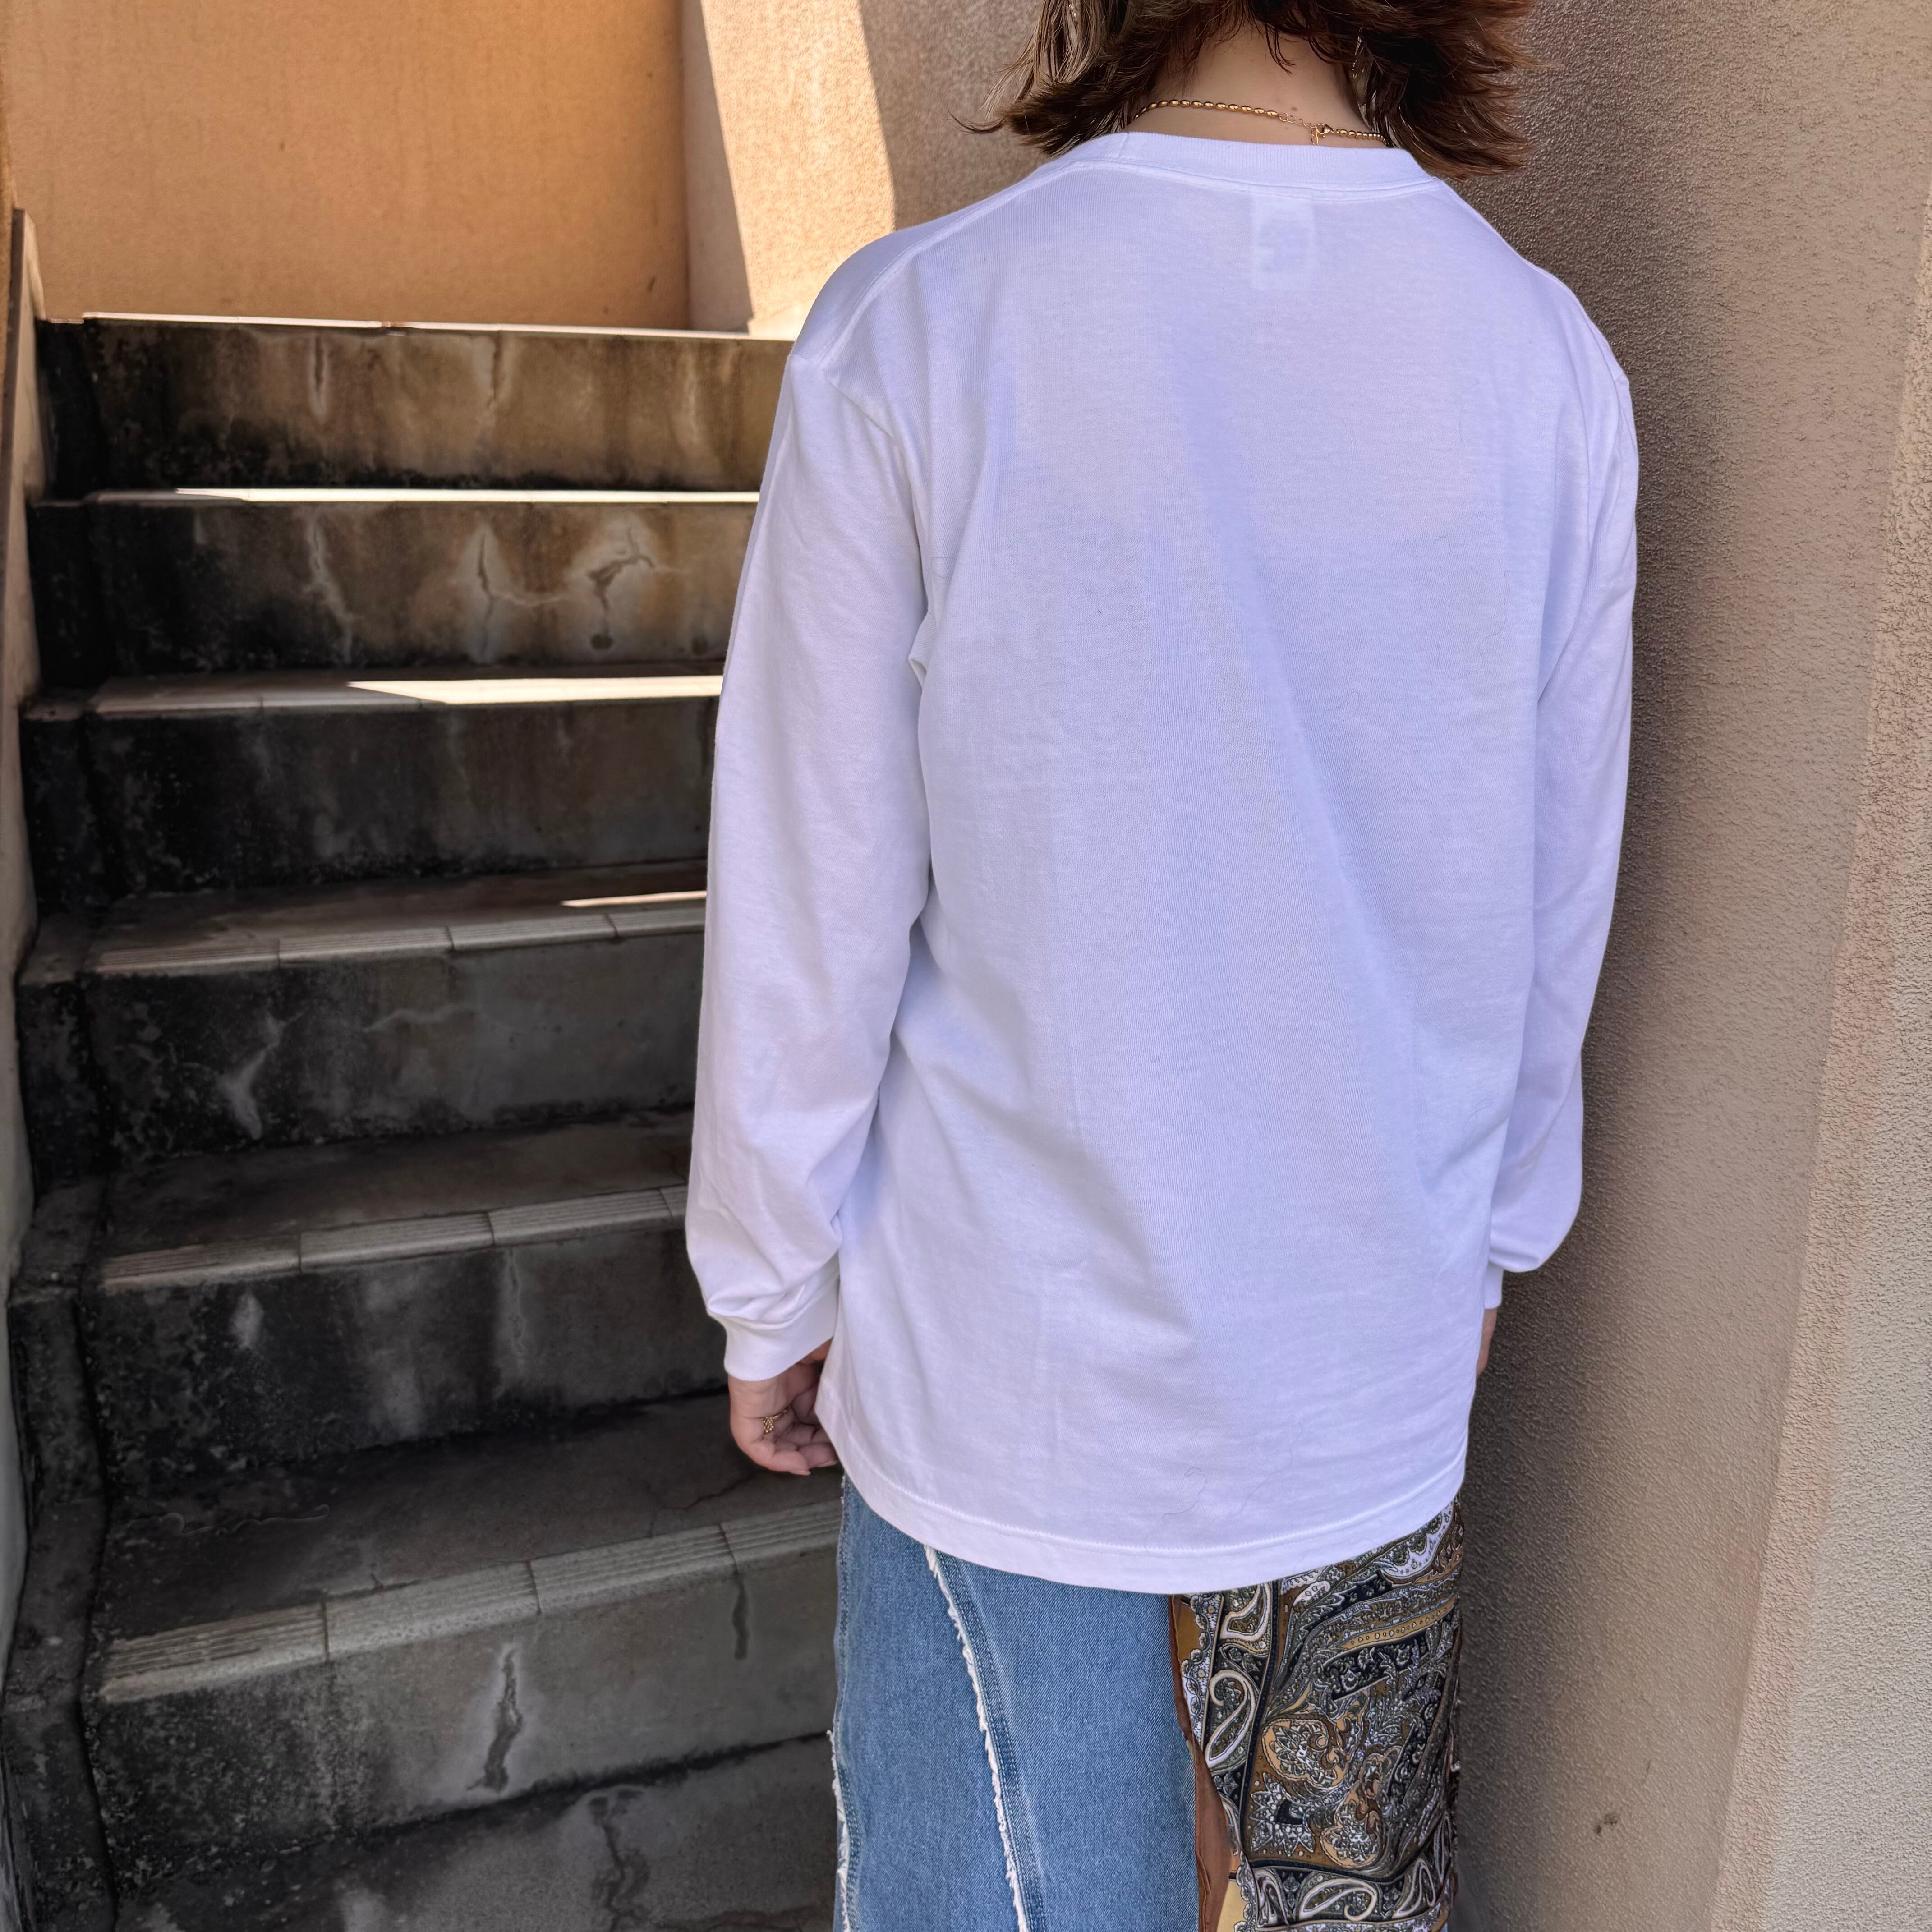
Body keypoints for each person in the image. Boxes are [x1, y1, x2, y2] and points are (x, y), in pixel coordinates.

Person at [686, 0, 1635, 1925]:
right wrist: (1490, 1244)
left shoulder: (923, 326)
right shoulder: (1543, 362)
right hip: (1363, 1357)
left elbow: (810, 888)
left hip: (998, 1375)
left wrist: (767, 1285)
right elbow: (1553, 893)